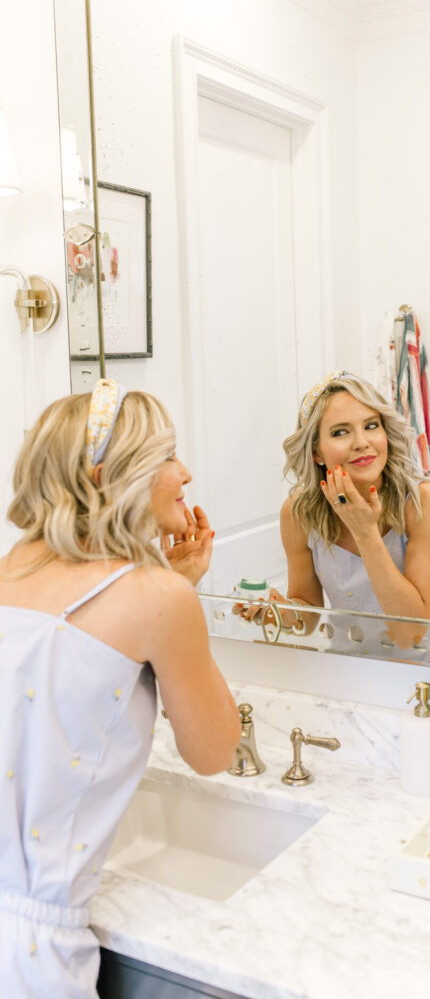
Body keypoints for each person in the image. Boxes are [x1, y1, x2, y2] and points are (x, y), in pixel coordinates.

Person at [0, 380, 241, 999]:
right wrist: (179, 592)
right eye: (167, 457)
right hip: (31, 954)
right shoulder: (158, 598)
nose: (184, 472)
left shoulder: (12, 565)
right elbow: (214, 753)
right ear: (112, 475)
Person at [254, 370, 430, 649]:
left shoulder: (425, 502)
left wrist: (365, 532)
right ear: (316, 452)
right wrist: (279, 612)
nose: (362, 442)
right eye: (341, 432)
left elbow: (409, 634)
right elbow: (308, 613)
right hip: (351, 667)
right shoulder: (299, 513)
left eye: (371, 426)